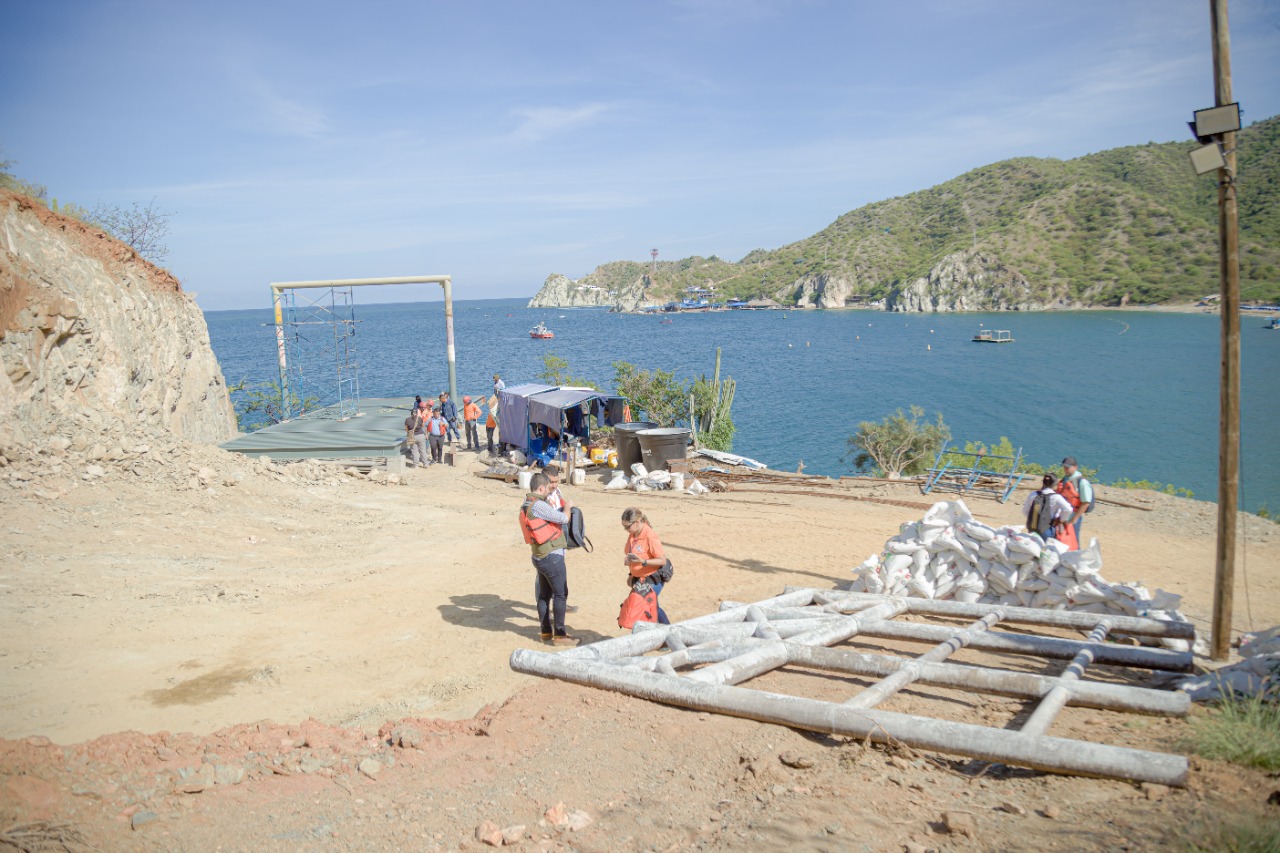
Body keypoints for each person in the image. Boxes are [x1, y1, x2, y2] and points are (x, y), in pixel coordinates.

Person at [519, 472, 578, 646]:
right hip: (550, 556)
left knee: (545, 595)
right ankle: (560, 635)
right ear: (542, 487)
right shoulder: (538, 505)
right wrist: (568, 506)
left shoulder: (527, 504)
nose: (548, 492)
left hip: (540, 555)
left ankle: (546, 632)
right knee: (560, 594)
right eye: (547, 488)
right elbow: (562, 518)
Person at [621, 507, 670, 624]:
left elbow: (662, 560)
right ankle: (669, 632)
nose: (625, 529)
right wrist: (631, 573)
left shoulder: (649, 536)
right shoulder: (633, 533)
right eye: (624, 527)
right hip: (639, 578)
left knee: (643, 606)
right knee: (653, 608)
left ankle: (667, 632)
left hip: (653, 578)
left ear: (637, 522)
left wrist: (643, 561)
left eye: (627, 526)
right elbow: (634, 555)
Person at [1022, 473, 1074, 545]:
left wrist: (1034, 519)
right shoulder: (1056, 497)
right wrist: (1061, 520)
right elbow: (1068, 509)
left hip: (1032, 528)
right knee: (1046, 553)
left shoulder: (1033, 494)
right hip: (1047, 529)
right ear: (1055, 485)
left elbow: (1025, 511)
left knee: (1032, 550)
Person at [1056, 456, 1094, 544]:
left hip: (1073, 519)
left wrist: (1074, 519)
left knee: (1073, 543)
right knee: (1060, 542)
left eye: (1068, 467)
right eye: (1064, 467)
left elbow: (1086, 502)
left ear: (1075, 467)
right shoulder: (1064, 480)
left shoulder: (1082, 483)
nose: (1065, 469)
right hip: (1061, 519)